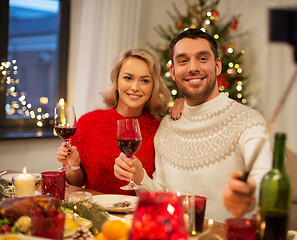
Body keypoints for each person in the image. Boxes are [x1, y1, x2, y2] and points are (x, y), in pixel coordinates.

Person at [114, 29, 272, 222]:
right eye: (183, 61)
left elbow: (265, 179)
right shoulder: (166, 126)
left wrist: (250, 194)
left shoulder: (248, 121)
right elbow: (161, 195)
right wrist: (140, 178)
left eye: (202, 58)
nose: (193, 67)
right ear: (173, 71)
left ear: (218, 65)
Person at [56, 48, 170, 195]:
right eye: (128, 78)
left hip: (138, 215)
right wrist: (74, 165)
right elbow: (77, 182)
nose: (135, 87)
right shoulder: (88, 122)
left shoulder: (161, 128)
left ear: (153, 86)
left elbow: (165, 188)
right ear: (116, 80)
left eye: (145, 80)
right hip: (94, 214)